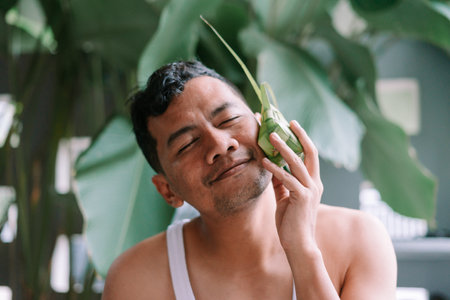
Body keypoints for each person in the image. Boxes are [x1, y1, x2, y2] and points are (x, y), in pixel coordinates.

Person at [102, 61, 397, 299]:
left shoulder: (360, 239)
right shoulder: (136, 280)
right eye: (187, 144)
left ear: (265, 124)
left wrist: (302, 251)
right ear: (168, 190)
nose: (220, 144)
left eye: (228, 120)